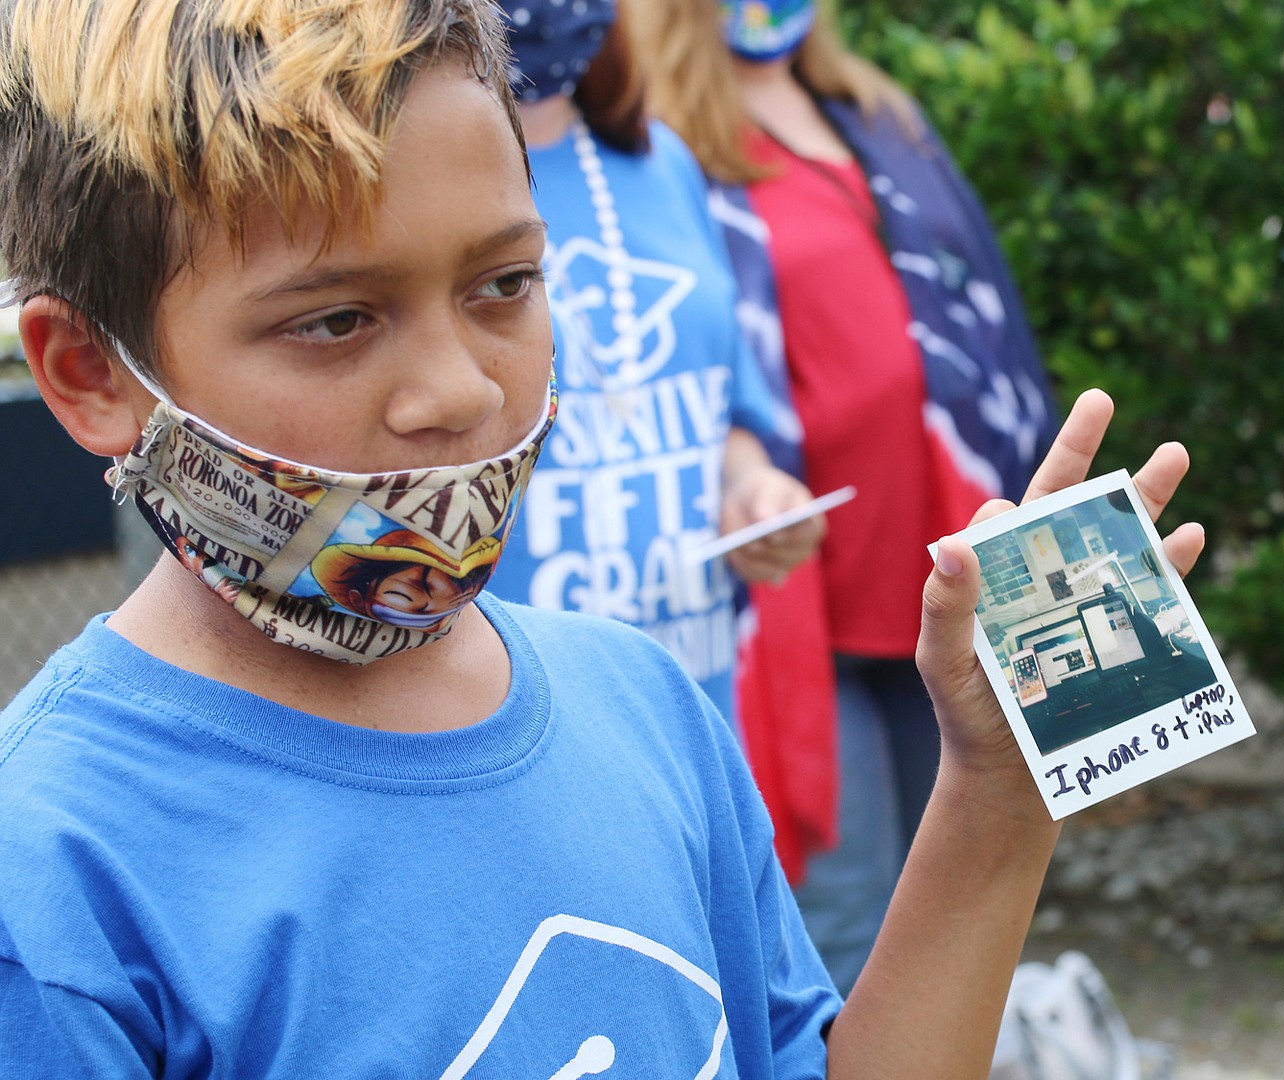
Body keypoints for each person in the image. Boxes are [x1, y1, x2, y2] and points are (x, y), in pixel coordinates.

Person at [0, 0, 1205, 1074]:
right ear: (91, 369)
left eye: (503, 286)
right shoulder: (53, 875)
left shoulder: (646, 702)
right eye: (335, 320)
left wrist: (1000, 794)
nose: (461, 390)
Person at [635, 0, 1060, 992]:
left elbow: (984, 317)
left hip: (947, 568)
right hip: (796, 591)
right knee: (845, 915)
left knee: (970, 880)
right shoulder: (658, 150)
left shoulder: (875, 111)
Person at [484, 0, 822, 723]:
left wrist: (756, 490)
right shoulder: (420, 184)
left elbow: (722, 404)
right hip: (528, 703)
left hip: (696, 684)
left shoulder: (662, 160)